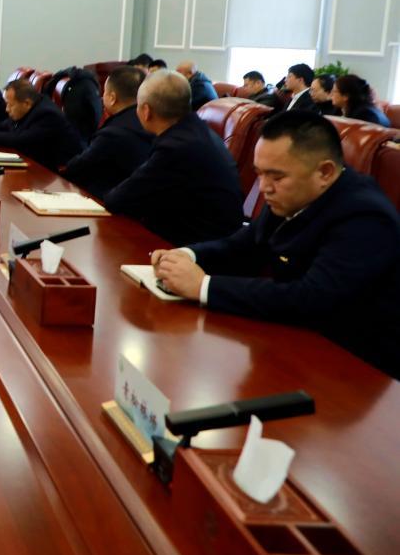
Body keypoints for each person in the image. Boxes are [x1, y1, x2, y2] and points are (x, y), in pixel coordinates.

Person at [152, 111, 400, 379]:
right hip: (293, 339)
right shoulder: (293, 194)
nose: (264, 187)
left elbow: (311, 298)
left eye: (276, 177)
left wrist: (203, 286)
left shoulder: (365, 217)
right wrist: (186, 256)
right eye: (259, 174)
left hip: (352, 367)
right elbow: (242, 246)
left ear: (325, 172)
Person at [104, 70, 243, 246]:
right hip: (212, 238)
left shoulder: (175, 148)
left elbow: (118, 200)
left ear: (146, 111)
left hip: (198, 248)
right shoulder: (196, 130)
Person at [63, 66, 153, 198]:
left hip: (111, 201)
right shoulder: (152, 122)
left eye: (104, 92)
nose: (101, 97)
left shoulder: (113, 134)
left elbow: (77, 168)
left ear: (112, 98)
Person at [0, 78, 84, 171]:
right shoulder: (30, 106)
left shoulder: (47, 114)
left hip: (56, 172)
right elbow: (5, 125)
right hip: (33, 161)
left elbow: (20, 140)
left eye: (10, 105)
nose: (7, 109)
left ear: (27, 103)